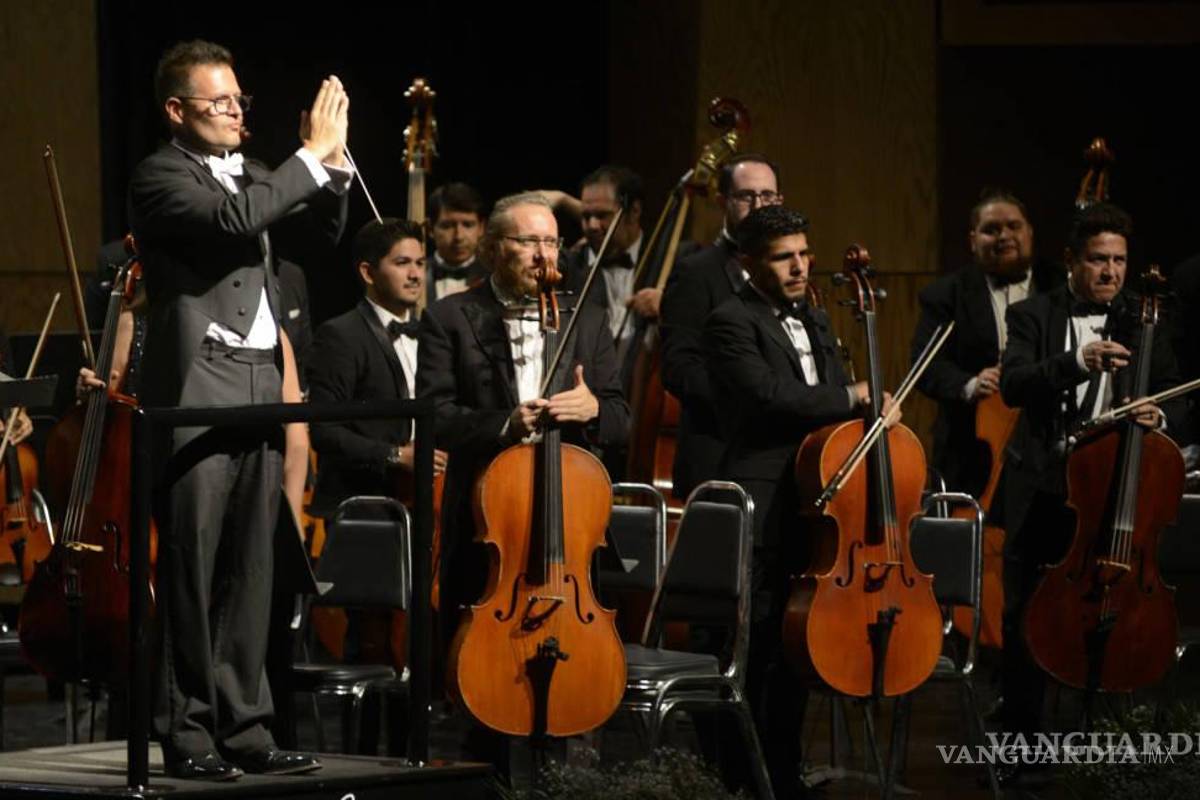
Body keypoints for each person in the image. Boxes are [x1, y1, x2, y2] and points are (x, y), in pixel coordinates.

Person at [127, 39, 351, 780]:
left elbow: (317, 233)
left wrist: (335, 170)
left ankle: (247, 730)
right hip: (199, 382)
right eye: (219, 102)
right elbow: (233, 222)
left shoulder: (254, 172)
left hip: (259, 378)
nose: (233, 114)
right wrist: (307, 159)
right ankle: (187, 734)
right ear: (176, 109)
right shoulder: (160, 176)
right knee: (194, 561)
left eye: (238, 102)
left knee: (254, 562)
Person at [416, 192, 628, 771]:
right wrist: (505, 424)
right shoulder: (451, 318)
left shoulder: (582, 314)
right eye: (528, 241)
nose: (543, 255)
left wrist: (592, 409)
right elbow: (434, 415)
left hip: (571, 526)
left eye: (551, 242)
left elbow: (621, 415)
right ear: (493, 249)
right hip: (491, 530)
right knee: (482, 713)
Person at [704, 205, 891, 799]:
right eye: (784, 257)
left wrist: (869, 407)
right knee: (754, 644)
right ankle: (737, 778)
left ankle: (782, 774)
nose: (800, 266)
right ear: (749, 264)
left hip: (818, 500)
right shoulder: (730, 321)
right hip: (763, 502)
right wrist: (852, 396)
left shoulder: (814, 319)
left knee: (794, 646)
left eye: (805, 254)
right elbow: (767, 396)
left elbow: (831, 395)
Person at [998, 202, 1181, 783]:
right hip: (1045, 489)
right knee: (1027, 615)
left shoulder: (1144, 315)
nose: (1111, 272)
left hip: (1111, 491)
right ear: (1073, 260)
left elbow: (1176, 390)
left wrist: (1161, 414)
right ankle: (1025, 751)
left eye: (1120, 260)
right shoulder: (1033, 315)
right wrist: (1078, 360)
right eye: (1099, 260)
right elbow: (1014, 384)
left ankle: (1104, 740)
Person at [911, 190, 1063, 496]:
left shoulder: (1061, 286)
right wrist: (970, 383)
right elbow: (925, 367)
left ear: (1030, 232)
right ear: (972, 240)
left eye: (1013, 226)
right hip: (969, 449)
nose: (1003, 236)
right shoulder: (944, 295)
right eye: (991, 229)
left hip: (1049, 444)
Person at [660, 153, 783, 500]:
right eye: (746, 196)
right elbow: (678, 367)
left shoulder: (791, 271)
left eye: (768, 196)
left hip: (777, 463)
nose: (759, 206)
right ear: (722, 202)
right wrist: (751, 402)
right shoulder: (695, 273)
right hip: (718, 459)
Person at [307, 217, 448, 517]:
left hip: (428, 498)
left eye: (420, 263)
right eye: (402, 263)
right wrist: (395, 456)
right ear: (368, 273)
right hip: (365, 502)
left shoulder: (433, 332)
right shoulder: (340, 335)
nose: (415, 275)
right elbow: (323, 431)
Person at [426, 182, 487, 303]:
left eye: (468, 225)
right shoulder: (415, 275)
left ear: (481, 228)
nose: (458, 236)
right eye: (447, 226)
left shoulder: (494, 276)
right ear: (430, 229)